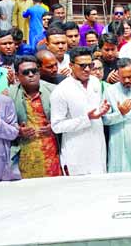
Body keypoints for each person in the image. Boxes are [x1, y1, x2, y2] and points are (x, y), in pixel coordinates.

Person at [50, 47, 111, 175]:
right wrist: (86, 119)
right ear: (71, 65)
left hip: (97, 145)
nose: (88, 69)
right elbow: (56, 126)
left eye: (90, 65)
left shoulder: (95, 82)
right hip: (76, 151)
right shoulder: (61, 90)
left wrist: (102, 110)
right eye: (82, 66)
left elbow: (96, 110)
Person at [8, 56, 61, 179]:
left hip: (52, 149)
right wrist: (18, 130)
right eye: (26, 72)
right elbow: (4, 123)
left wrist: (54, 126)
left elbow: (67, 118)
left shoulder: (54, 91)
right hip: (25, 151)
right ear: (17, 75)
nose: (31, 75)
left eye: (34, 71)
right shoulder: (9, 94)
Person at [103, 58, 131, 172]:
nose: (127, 80)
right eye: (123, 78)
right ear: (118, 74)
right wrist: (120, 114)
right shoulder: (110, 91)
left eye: (130, 76)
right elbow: (104, 120)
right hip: (117, 140)